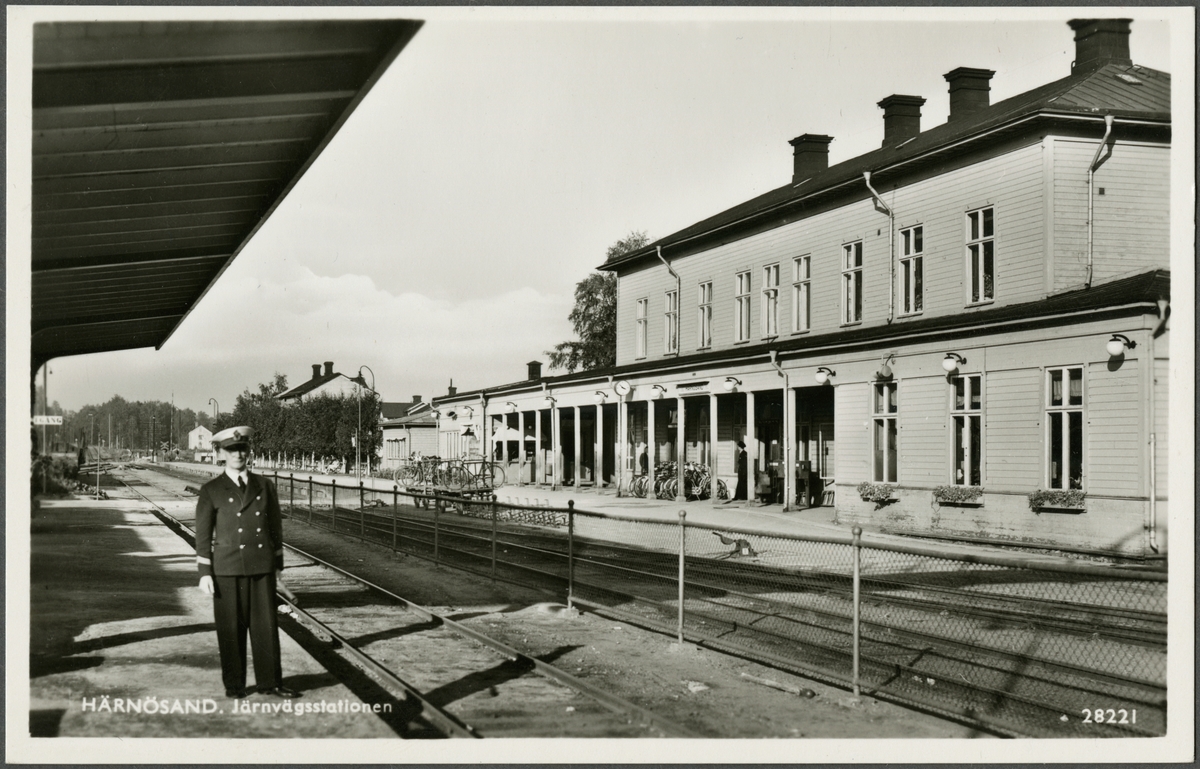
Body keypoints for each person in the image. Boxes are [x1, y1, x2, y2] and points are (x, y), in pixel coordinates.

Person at [195, 426, 299, 700]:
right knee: (231, 629)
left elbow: (275, 528)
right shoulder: (211, 490)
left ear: (249, 451)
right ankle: (235, 685)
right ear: (221, 453)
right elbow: (203, 535)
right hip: (227, 569)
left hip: (261, 567)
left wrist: (278, 566)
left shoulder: (265, 486)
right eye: (231, 450)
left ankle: (270, 682)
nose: (238, 454)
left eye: (242, 449)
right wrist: (204, 572)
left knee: (266, 628)